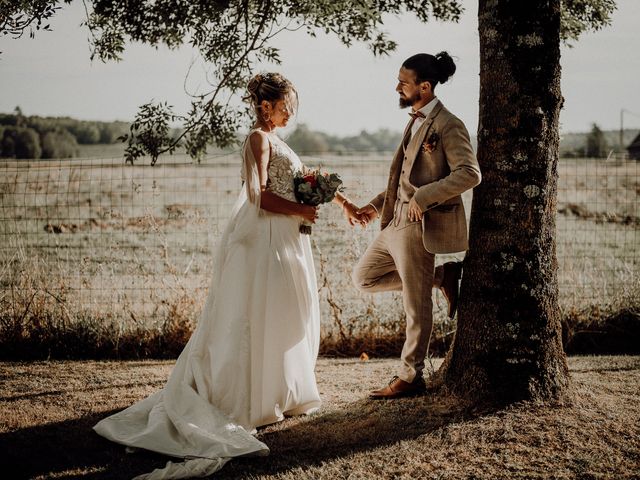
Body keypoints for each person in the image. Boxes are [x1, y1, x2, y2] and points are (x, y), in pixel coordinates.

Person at [94, 72, 356, 480]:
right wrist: (301, 211)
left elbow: (299, 180)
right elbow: (258, 195)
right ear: (266, 106)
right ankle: (250, 396)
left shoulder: (279, 140)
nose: (291, 111)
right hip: (266, 238)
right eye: (286, 104)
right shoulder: (258, 138)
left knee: (287, 312)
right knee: (261, 313)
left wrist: (339, 200)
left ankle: (279, 392)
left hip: (288, 238)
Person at [352, 52, 481, 399]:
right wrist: (373, 205)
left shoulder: (448, 124)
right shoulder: (414, 121)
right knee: (363, 278)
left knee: (415, 303)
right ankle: (442, 277)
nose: (397, 87)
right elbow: (403, 179)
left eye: (403, 82)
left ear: (424, 87)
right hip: (394, 221)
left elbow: (470, 174)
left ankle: (410, 377)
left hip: (418, 225)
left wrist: (424, 199)